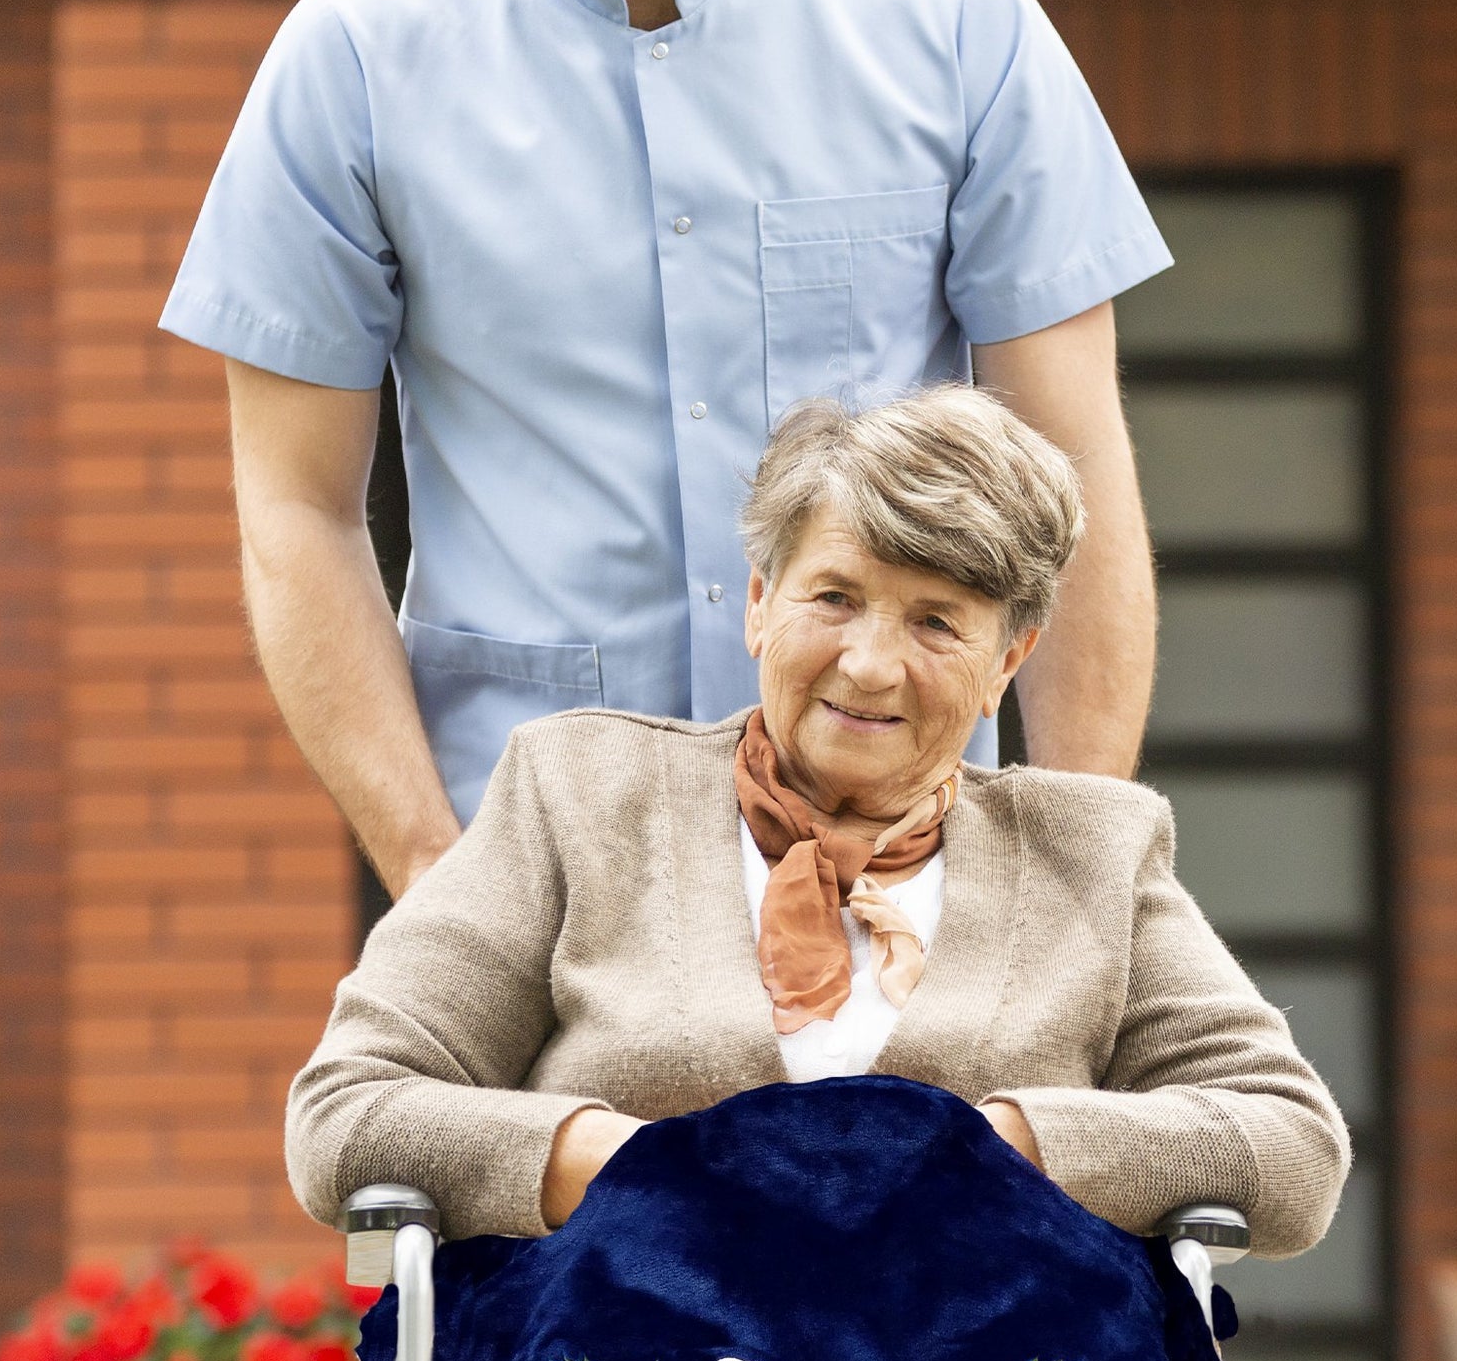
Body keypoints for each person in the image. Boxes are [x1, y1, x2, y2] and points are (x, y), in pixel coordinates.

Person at [160, 0, 1169, 901]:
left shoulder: (954, 16)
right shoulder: (352, 61)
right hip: (536, 868)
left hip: (911, 865)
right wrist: (434, 874)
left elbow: (1075, 471)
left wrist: (1069, 875)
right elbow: (297, 511)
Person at [286, 388, 1349, 1256]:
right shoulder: (579, 794)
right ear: (758, 600)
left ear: (1006, 664)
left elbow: (1289, 1146)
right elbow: (349, 1109)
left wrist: (986, 1149)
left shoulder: (1091, 854)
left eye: (936, 620)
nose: (869, 663)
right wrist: (634, 1164)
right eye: (833, 597)